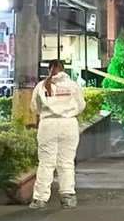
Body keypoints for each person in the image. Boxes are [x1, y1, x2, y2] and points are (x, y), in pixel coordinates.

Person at [30, 60, 87, 210]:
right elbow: (81, 105)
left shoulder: (41, 86)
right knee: (67, 162)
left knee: (46, 163)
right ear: (64, 69)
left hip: (48, 125)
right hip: (68, 125)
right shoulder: (73, 85)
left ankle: (39, 199)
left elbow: (34, 107)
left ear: (49, 69)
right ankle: (68, 197)